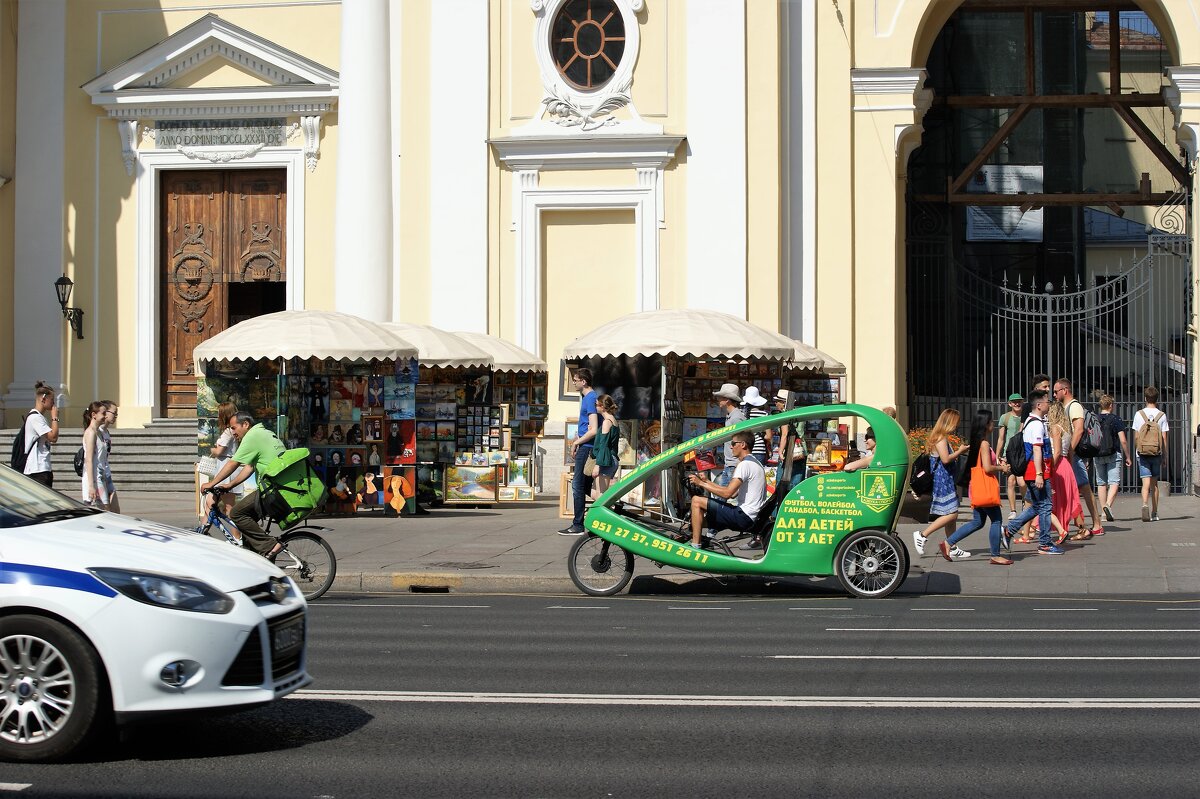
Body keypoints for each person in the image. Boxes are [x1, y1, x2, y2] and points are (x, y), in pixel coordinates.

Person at [200, 412, 287, 559]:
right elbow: (249, 467)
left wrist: (212, 483)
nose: (233, 432)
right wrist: (229, 485)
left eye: (234, 428)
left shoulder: (252, 436)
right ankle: (253, 559)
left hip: (272, 490)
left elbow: (233, 463)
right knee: (246, 522)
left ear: (245, 424)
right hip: (280, 488)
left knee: (236, 513)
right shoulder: (264, 433)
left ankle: (270, 545)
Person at [942, 410, 1012, 565]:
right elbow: (986, 468)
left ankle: (947, 543)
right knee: (996, 520)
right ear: (986, 424)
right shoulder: (984, 443)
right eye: (991, 422)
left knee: (978, 522)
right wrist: (1002, 468)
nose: (993, 424)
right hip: (985, 488)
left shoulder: (977, 442)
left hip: (977, 488)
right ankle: (995, 555)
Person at [683, 431, 766, 549]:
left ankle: (695, 546)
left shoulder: (745, 465)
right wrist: (706, 482)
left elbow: (727, 494)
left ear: (743, 444)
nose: (731, 446)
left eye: (733, 443)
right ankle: (700, 539)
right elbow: (732, 494)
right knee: (702, 504)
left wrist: (700, 483)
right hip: (750, 517)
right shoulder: (755, 463)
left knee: (696, 500)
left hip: (743, 517)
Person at [1003, 389, 1061, 555]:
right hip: (1036, 471)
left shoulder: (1032, 421)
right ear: (1039, 405)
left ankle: (1009, 530)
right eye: (1046, 401)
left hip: (1035, 471)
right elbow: (1037, 450)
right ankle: (1044, 543)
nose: (1049, 404)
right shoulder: (1035, 424)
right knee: (1045, 506)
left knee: (1038, 506)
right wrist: (1039, 474)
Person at [912, 409, 969, 558]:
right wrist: (960, 451)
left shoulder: (940, 437)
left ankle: (953, 545)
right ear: (949, 422)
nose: (957, 426)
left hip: (945, 479)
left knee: (951, 514)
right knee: (952, 514)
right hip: (942, 480)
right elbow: (945, 459)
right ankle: (922, 535)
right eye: (955, 422)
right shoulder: (940, 438)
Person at [1030, 400, 1084, 544]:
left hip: (1058, 465)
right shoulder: (1066, 429)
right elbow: (1068, 451)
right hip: (1066, 464)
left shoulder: (1055, 428)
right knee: (1066, 499)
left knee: (1051, 499)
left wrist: (1048, 467)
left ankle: (1037, 527)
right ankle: (1069, 528)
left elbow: (1057, 451)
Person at [1055, 377, 1103, 536]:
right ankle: (1086, 525)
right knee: (1076, 488)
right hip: (1070, 454)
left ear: (1065, 390)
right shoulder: (1066, 406)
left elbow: (1079, 429)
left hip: (1071, 454)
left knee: (1083, 487)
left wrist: (1070, 451)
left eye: (1056, 391)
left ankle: (1095, 524)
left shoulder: (1074, 406)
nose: (1054, 395)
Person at [559, 368, 599, 535]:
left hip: (587, 447)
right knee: (586, 486)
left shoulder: (590, 398)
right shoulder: (589, 397)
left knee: (577, 485)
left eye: (575, 380)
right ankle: (608, 507)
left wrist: (577, 442)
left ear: (583, 382)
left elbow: (594, 428)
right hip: (587, 445)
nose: (573, 383)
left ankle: (578, 524)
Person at [206, 402, 251, 535]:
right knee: (222, 504)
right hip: (229, 468)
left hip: (226, 468)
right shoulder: (234, 431)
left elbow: (219, 451)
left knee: (224, 506)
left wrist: (212, 450)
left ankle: (236, 536)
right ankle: (204, 530)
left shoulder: (227, 432)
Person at [1131, 385, 1169, 522]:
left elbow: (1136, 436)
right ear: (1157, 399)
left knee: (1145, 483)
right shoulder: (1162, 415)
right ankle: (1155, 512)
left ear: (1145, 398)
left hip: (1142, 453)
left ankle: (1144, 504)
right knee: (1154, 484)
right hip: (1156, 453)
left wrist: (1138, 450)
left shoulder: (1139, 414)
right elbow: (1164, 438)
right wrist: (1164, 455)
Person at [1094, 394, 1131, 523]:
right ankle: (1107, 506)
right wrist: (1128, 456)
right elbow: (1123, 441)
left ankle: (1103, 513)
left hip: (1097, 454)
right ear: (1111, 406)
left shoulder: (1095, 419)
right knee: (1114, 482)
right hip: (1113, 453)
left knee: (1101, 483)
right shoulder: (1116, 419)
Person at [20, 381, 60, 487]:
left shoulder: (40, 417)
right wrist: (55, 417)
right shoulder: (35, 418)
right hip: (37, 469)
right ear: (43, 399)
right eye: (52, 400)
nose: (53, 404)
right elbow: (53, 437)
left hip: (42, 468)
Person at [997, 392, 1025, 523]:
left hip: (1023, 453)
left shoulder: (1027, 415)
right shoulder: (1005, 417)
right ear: (1009, 404)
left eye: (1019, 401)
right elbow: (1001, 438)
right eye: (1014, 402)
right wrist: (998, 456)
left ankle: (1026, 505)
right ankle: (1013, 510)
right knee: (1011, 482)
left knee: (1022, 482)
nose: (1017, 403)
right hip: (1009, 454)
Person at [80, 401, 113, 510]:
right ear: (94, 415)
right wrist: (91, 486)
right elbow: (88, 460)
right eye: (103, 413)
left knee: (106, 512)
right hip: (94, 480)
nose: (105, 416)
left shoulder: (98, 432)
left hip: (100, 477)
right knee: (100, 514)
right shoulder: (91, 433)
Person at [712, 383, 746, 487]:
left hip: (733, 464)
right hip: (730, 464)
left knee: (729, 498)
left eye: (720, 397)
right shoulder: (732, 416)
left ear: (727, 400)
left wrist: (738, 464)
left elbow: (742, 442)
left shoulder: (736, 417)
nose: (718, 400)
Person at [590, 394, 621, 500]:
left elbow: (604, 445)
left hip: (606, 460)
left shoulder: (607, 422)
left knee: (601, 495)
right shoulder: (612, 420)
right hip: (609, 459)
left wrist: (598, 465)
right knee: (594, 493)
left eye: (596, 405)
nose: (595, 407)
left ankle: (605, 516)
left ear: (602, 406)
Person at [741, 386, 770, 464]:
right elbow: (769, 436)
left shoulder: (741, 414)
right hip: (759, 449)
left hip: (745, 449)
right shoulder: (764, 414)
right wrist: (762, 435)